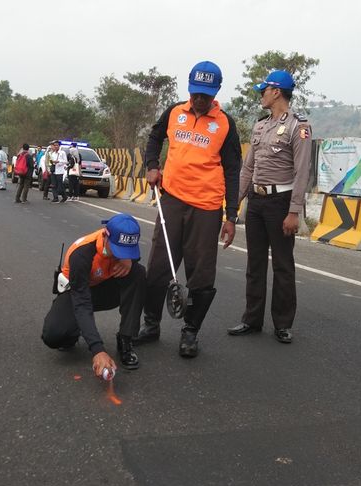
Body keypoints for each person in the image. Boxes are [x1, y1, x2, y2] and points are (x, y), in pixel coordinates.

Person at [134, 61, 242, 358]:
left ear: (216, 92)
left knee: (201, 274)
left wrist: (230, 216)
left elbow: (233, 171)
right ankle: (151, 324)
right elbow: (154, 138)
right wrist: (153, 166)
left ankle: (190, 332)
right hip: (171, 198)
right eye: (195, 93)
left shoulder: (225, 124)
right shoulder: (173, 113)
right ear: (189, 88)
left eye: (205, 95)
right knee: (158, 266)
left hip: (206, 207)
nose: (199, 100)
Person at [227, 70, 312, 344]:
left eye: (264, 90)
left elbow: (301, 173)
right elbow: (248, 167)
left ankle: (283, 324)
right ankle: (251, 319)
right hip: (257, 201)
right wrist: (235, 204)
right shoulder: (260, 126)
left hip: (280, 203)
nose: (261, 94)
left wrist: (293, 212)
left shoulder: (299, 127)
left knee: (283, 265)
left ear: (276, 92)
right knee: (255, 263)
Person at [42, 213, 143, 376]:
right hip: (77, 292)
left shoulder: (125, 248)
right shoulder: (82, 254)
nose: (122, 255)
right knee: (54, 335)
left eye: (127, 251)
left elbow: (134, 256)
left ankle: (126, 338)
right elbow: (82, 303)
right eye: (118, 250)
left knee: (138, 273)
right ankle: (74, 331)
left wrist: (130, 260)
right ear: (105, 236)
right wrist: (97, 349)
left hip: (104, 289)